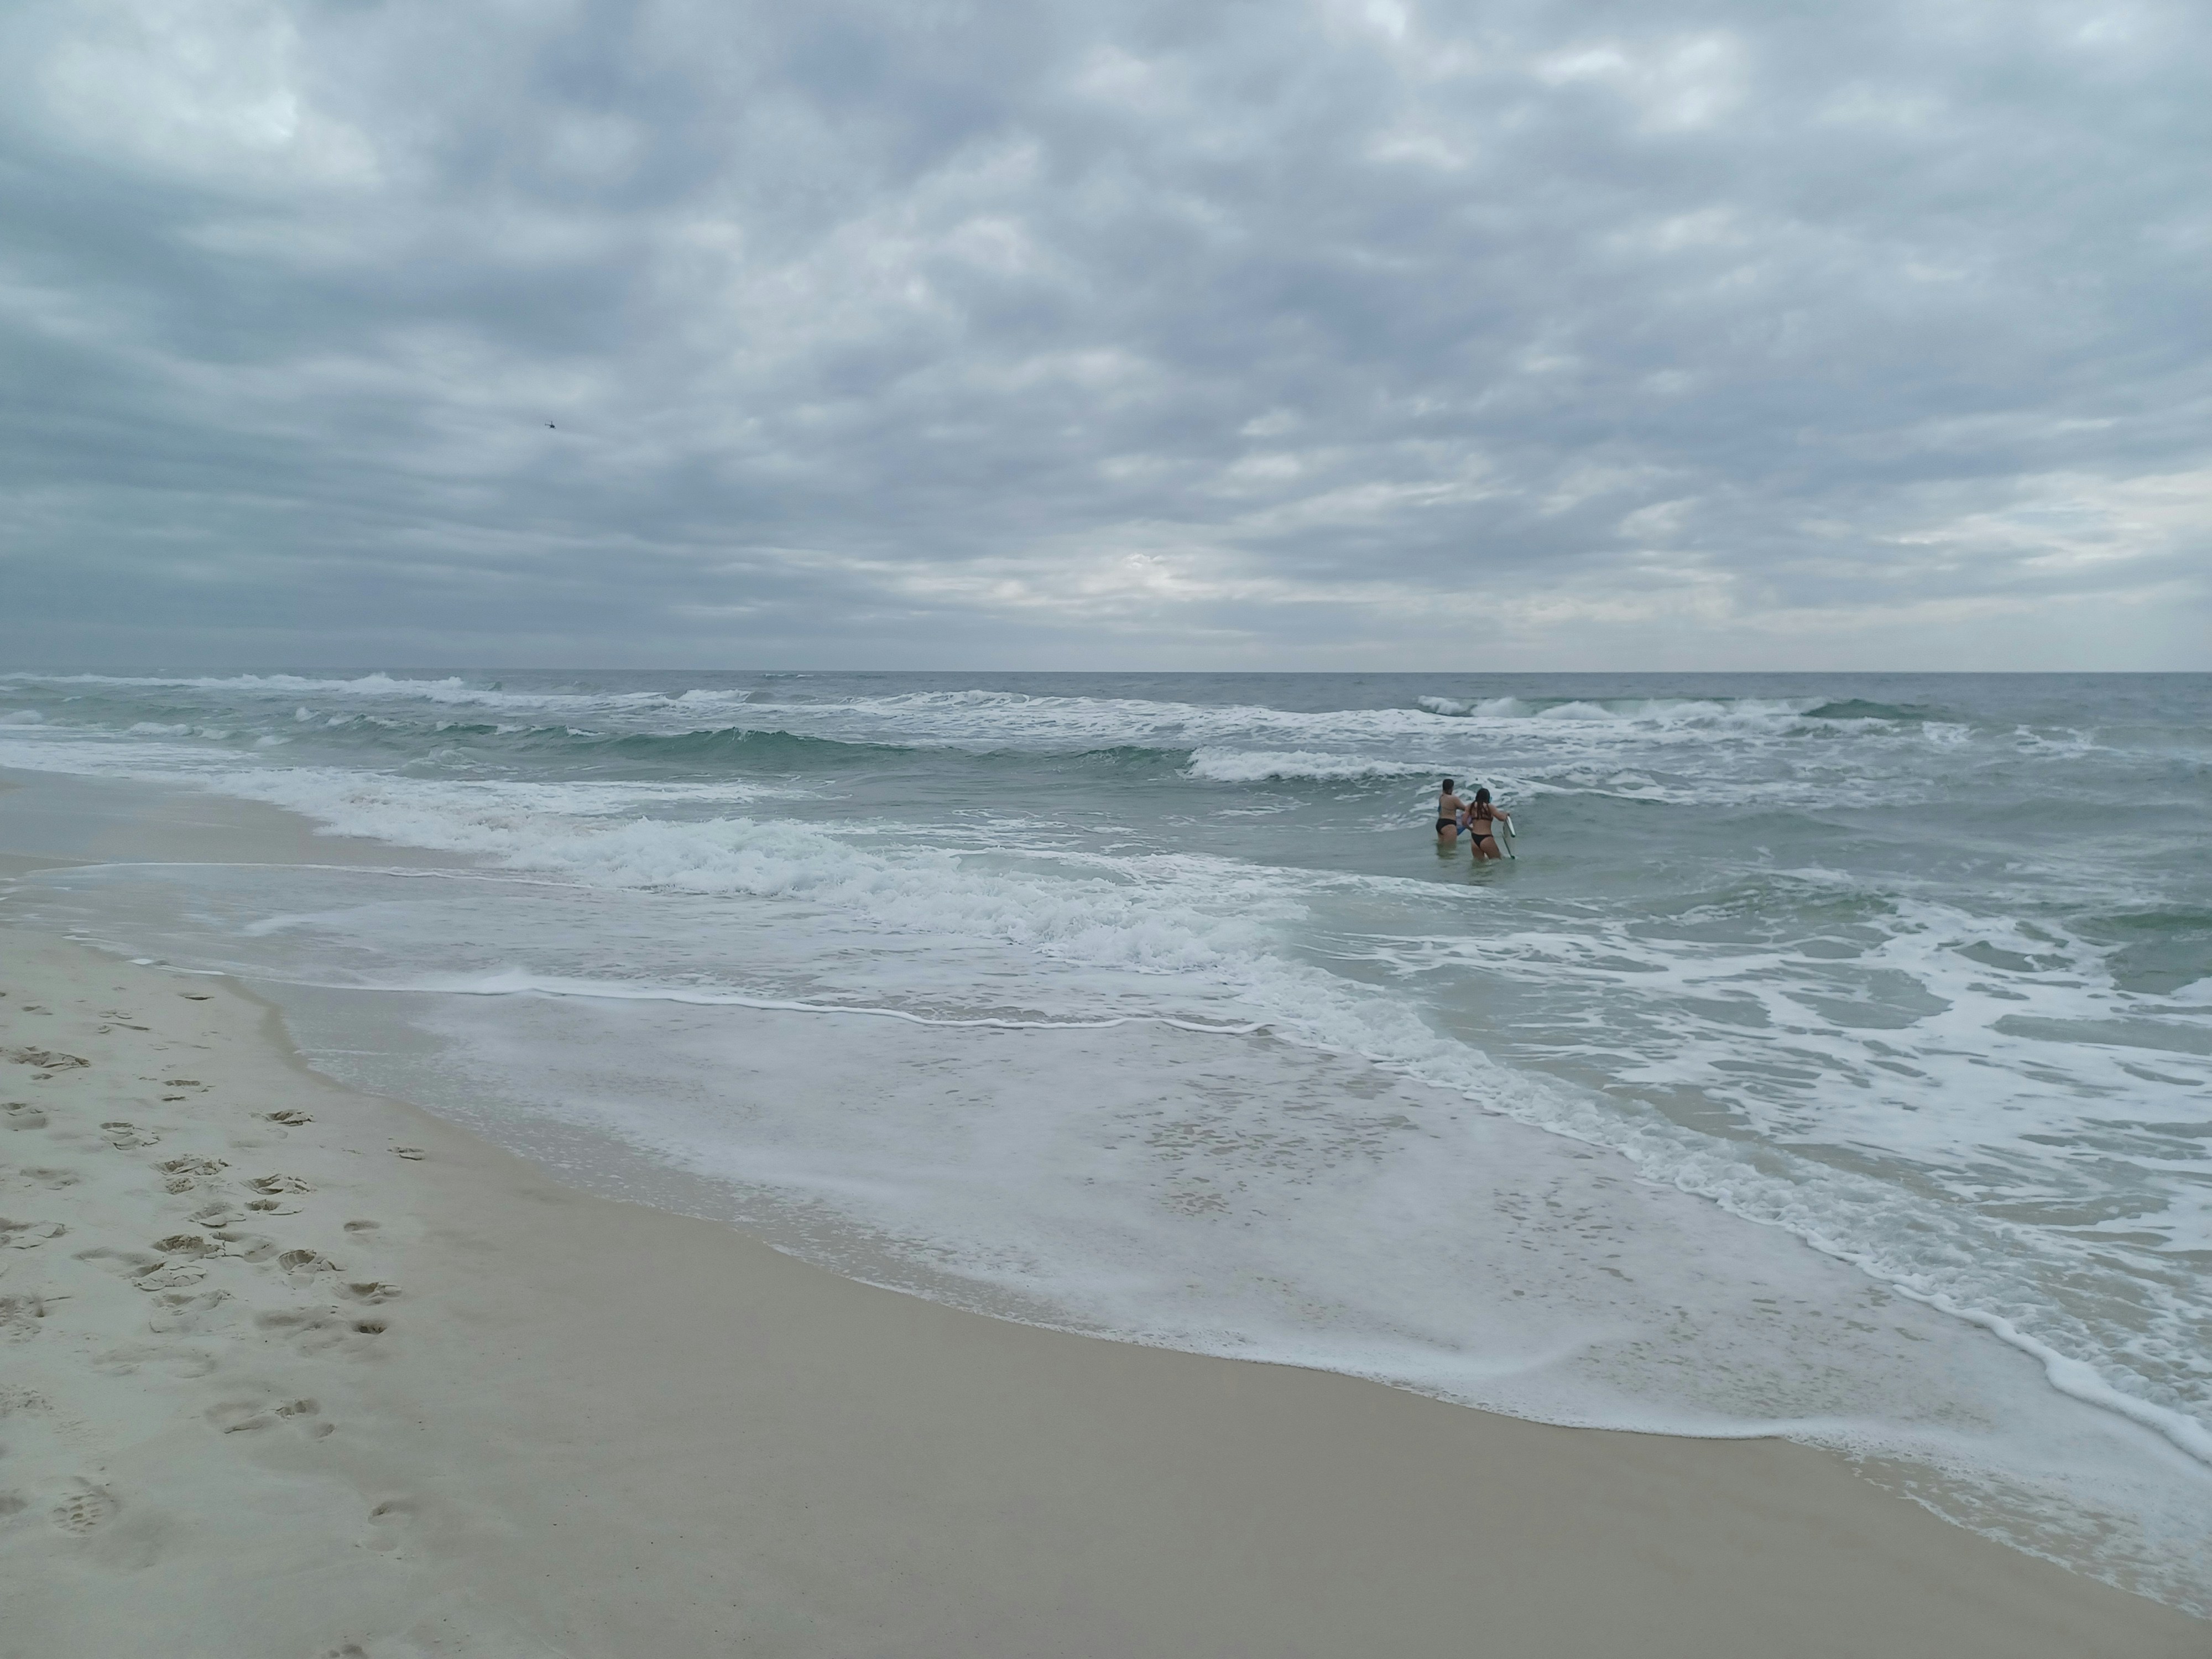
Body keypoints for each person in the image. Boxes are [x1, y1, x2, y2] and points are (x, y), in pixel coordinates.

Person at [1463, 786, 1511, 860]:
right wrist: (1506, 815)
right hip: (1486, 838)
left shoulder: (1470, 806)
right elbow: (1501, 818)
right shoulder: (1489, 807)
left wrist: (1471, 829)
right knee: (1498, 861)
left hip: (1474, 839)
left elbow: (1464, 822)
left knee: (1479, 864)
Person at [1435, 778, 1470, 846]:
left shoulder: (1441, 797)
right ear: (1451, 788)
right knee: (1450, 849)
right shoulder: (1454, 799)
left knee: (1441, 848)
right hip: (1449, 825)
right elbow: (1466, 809)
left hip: (1439, 824)